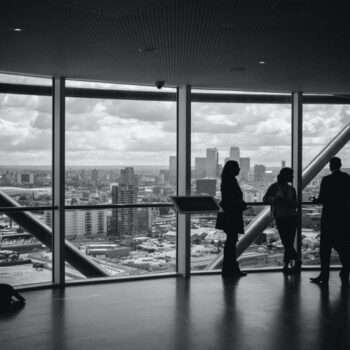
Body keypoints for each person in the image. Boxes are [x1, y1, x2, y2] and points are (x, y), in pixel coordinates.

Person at [310, 157, 350, 286]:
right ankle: (345, 270)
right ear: (341, 164)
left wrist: (315, 200)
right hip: (343, 217)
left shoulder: (327, 180)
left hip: (329, 217)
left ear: (331, 166)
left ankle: (324, 274)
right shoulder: (347, 178)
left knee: (325, 248)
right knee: (343, 246)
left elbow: (322, 199)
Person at [263, 167, 301, 274]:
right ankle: (296, 261)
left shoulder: (290, 189)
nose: (293, 177)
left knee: (287, 242)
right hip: (284, 217)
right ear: (286, 176)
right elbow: (265, 199)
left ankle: (287, 265)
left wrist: (280, 200)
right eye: (291, 175)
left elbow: (295, 204)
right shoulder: (275, 187)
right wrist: (275, 199)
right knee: (287, 242)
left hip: (288, 217)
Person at [216, 160, 247, 278]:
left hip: (228, 214)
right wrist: (241, 204)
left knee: (230, 242)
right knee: (231, 242)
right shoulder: (231, 181)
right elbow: (233, 198)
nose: (239, 169)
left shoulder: (226, 181)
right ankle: (231, 269)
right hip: (232, 215)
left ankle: (228, 269)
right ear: (232, 169)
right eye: (237, 167)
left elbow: (228, 198)